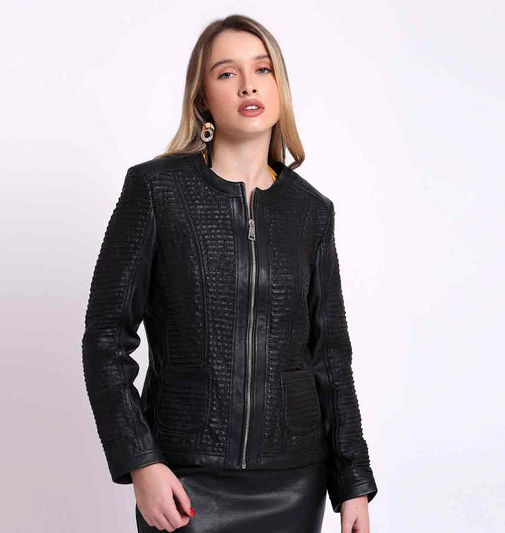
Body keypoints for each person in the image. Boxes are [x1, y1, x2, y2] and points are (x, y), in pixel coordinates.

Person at [82, 14, 378, 533]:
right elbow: (105, 338)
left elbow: (330, 356)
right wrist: (141, 461)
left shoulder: (311, 211)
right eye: (226, 73)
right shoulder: (157, 191)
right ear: (203, 98)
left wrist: (353, 482)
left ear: (279, 86)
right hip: (183, 477)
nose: (248, 85)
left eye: (262, 69)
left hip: (294, 477)